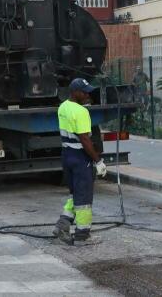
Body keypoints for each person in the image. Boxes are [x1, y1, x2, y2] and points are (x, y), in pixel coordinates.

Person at [53, 78, 107, 244]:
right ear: (74, 92)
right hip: (80, 158)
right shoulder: (81, 112)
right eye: (84, 92)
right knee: (83, 198)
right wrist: (98, 161)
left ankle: (63, 223)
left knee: (75, 193)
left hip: (67, 155)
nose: (87, 95)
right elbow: (85, 139)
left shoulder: (63, 107)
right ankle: (82, 235)